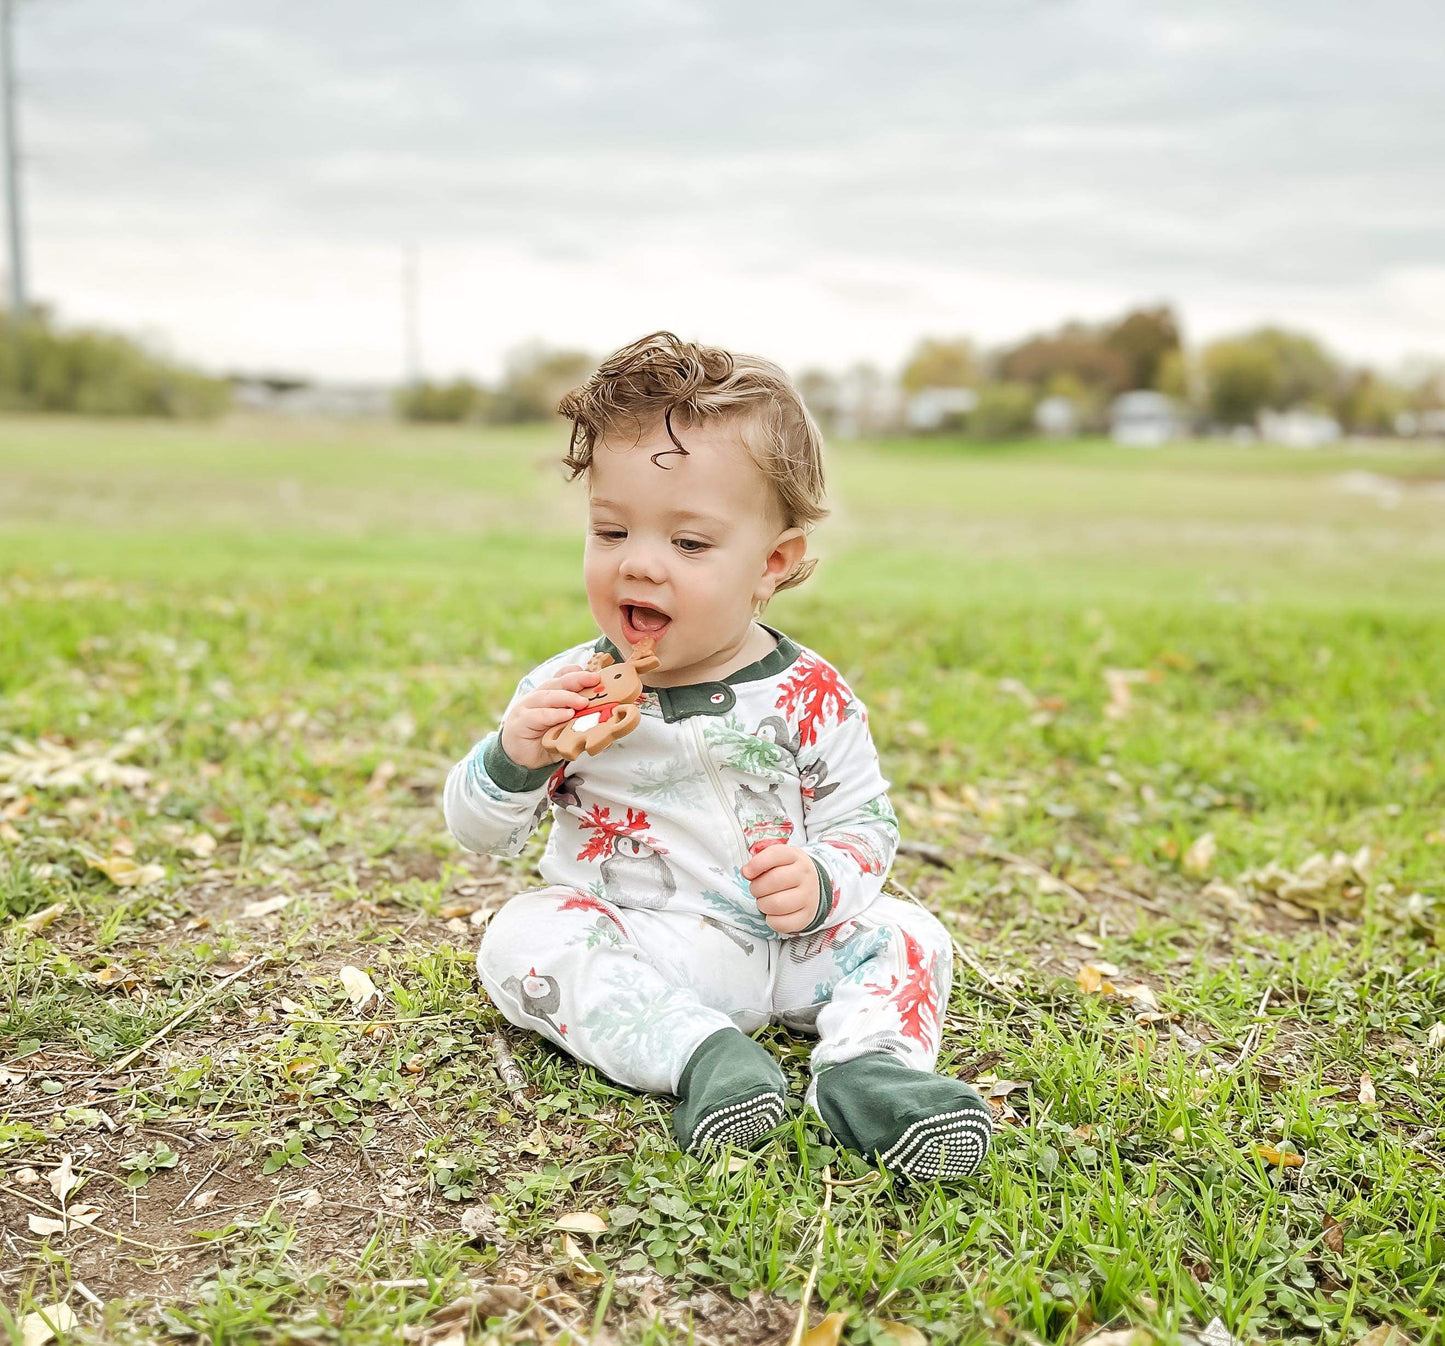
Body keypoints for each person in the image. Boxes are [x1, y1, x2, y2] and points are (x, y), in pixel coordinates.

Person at [443, 332, 992, 1181]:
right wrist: (512, 754)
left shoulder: (810, 693)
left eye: (689, 545)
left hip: (797, 945)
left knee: (910, 934)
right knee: (522, 936)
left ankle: (868, 1072)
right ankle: (702, 1058)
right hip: (652, 948)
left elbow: (863, 822)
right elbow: (480, 833)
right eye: (611, 530)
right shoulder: (566, 690)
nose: (640, 563)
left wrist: (821, 883)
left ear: (770, 566)